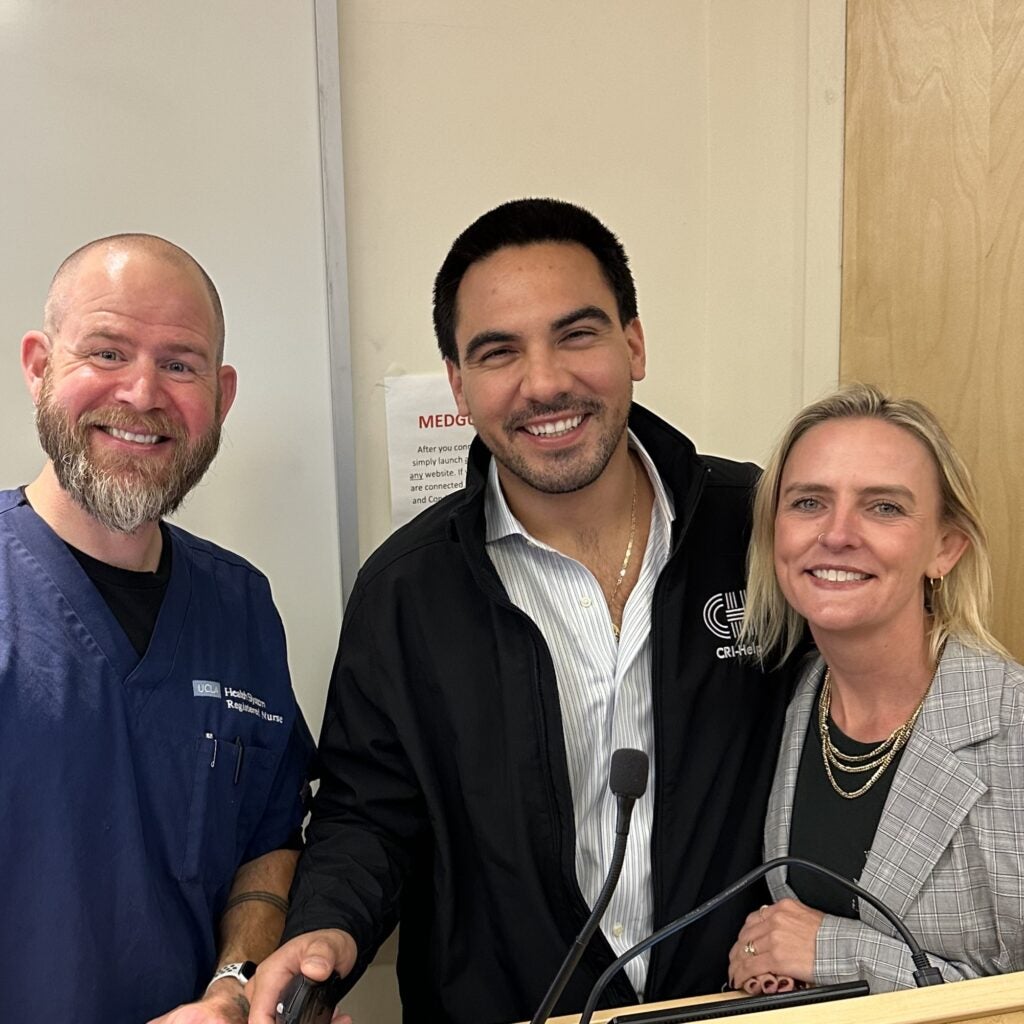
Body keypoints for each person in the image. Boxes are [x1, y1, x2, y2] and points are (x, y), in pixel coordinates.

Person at [248, 198, 794, 1024]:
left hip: (742, 1010)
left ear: (634, 344)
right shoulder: (406, 590)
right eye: (500, 352)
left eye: (577, 334)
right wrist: (327, 928)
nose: (544, 383)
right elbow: (367, 812)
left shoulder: (756, 528)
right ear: (459, 384)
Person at [0, 234, 315, 1023]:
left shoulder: (239, 607)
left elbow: (268, 841)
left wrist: (236, 985)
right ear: (39, 366)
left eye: (180, 364)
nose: (142, 395)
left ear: (222, 393)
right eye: (106, 352)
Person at [727, 383, 1024, 994]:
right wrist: (771, 963)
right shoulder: (786, 701)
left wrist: (831, 953)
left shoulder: (1012, 728)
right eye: (808, 502)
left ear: (945, 548)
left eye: (883, 507)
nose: (836, 534)